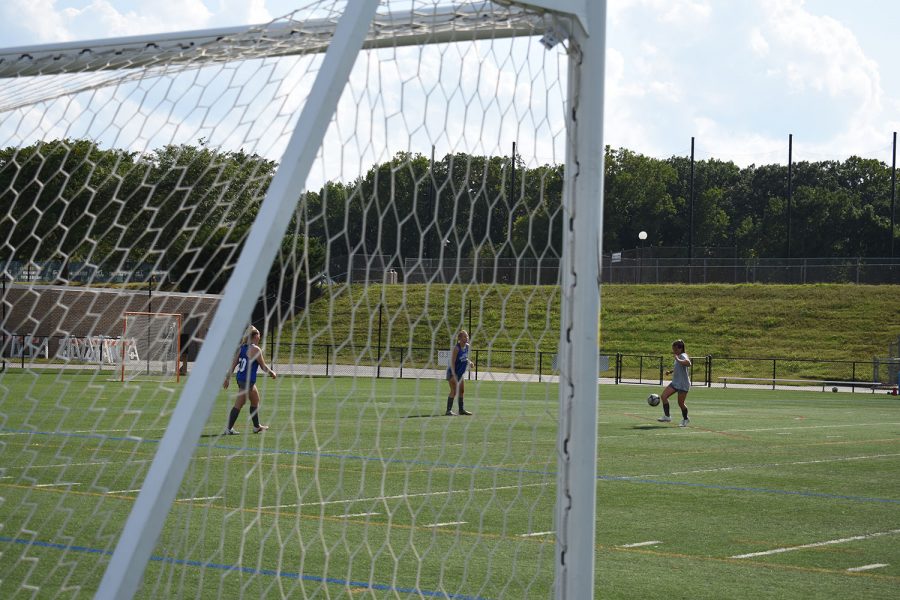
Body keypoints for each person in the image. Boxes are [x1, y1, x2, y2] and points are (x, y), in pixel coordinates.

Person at [223, 326, 276, 434]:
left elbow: (233, 365)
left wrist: (227, 378)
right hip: (246, 382)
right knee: (239, 405)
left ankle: (257, 427)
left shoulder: (242, 348)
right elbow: (263, 366)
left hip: (243, 380)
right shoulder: (256, 349)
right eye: (259, 334)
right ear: (255, 336)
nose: (260, 336)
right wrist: (272, 373)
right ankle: (228, 429)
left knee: (255, 400)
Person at [657, 339, 691, 427]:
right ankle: (667, 416)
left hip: (683, 384)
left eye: (675, 349)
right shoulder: (678, 356)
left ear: (680, 348)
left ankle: (685, 419)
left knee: (680, 403)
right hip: (675, 382)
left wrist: (678, 359)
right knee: (663, 396)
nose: (674, 351)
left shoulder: (683, 355)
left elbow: (688, 363)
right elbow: (679, 367)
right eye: (673, 349)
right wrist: (671, 372)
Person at [445, 330, 475, 416]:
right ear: (459, 338)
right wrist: (454, 375)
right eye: (465, 336)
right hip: (453, 373)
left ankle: (461, 410)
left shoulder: (467, 347)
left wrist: (470, 362)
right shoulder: (456, 348)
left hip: (460, 373)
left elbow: (465, 358)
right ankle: (448, 411)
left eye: (467, 336)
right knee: (454, 391)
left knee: (461, 391)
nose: (467, 338)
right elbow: (452, 362)